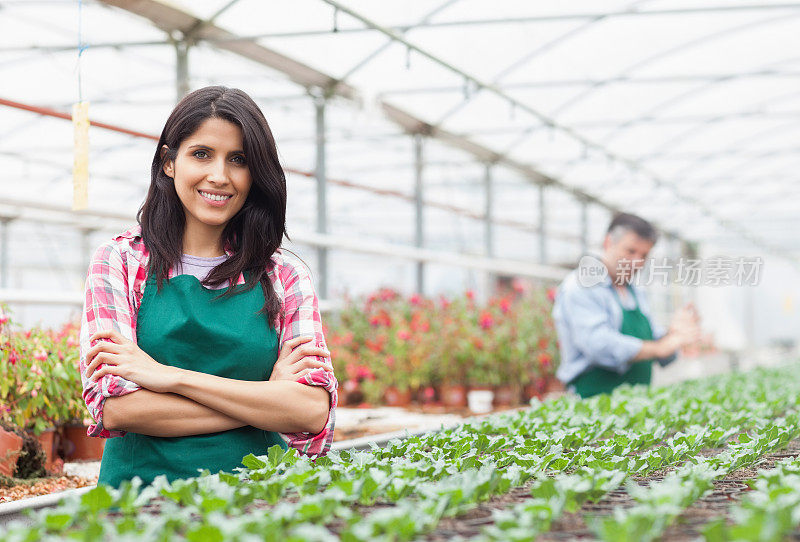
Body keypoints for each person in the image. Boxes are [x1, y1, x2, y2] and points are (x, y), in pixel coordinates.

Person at [79, 86, 337, 488]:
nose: (219, 175)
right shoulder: (121, 262)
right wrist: (266, 400)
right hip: (140, 504)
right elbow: (117, 409)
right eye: (202, 154)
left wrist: (168, 378)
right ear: (169, 162)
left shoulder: (283, 275)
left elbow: (311, 409)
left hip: (263, 500)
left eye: (239, 160)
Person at [553, 213, 700, 398]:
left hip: (637, 402)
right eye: (630, 251)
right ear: (608, 243)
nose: (637, 262)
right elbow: (598, 345)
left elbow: (658, 346)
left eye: (644, 255)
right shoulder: (581, 286)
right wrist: (660, 347)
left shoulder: (636, 290)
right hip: (592, 404)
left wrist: (676, 335)